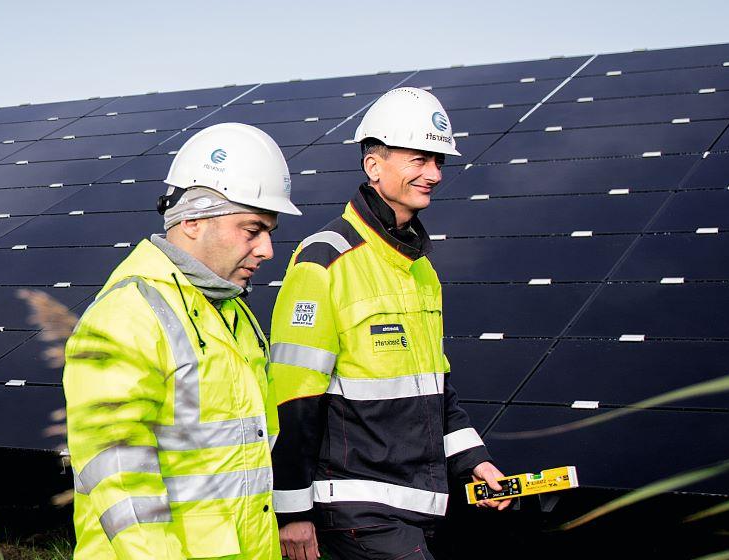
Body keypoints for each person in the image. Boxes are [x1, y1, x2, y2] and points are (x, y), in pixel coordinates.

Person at [268, 87, 513, 560]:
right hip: (354, 510)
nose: (434, 174)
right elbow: (294, 398)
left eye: (439, 161)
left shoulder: (419, 266)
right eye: (419, 159)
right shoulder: (324, 262)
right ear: (373, 165)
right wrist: (293, 512)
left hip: (415, 503)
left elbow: (435, 387)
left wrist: (475, 462)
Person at [63, 122, 300, 559]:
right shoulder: (127, 315)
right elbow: (122, 480)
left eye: (270, 232)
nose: (267, 250)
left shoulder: (232, 312)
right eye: (252, 230)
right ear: (191, 220)